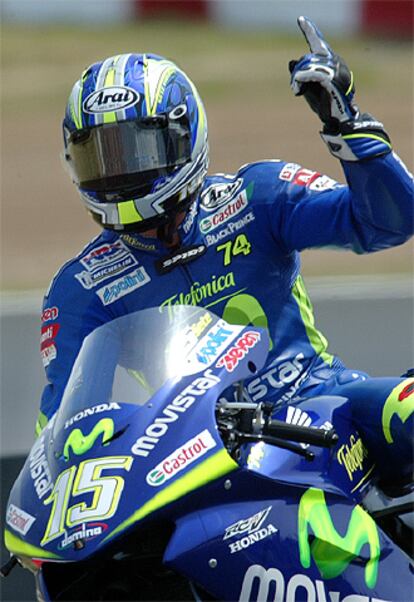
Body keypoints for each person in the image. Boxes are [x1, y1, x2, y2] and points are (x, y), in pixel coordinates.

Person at [37, 17, 413, 486]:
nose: (117, 173)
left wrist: (347, 125)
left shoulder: (256, 196)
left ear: (182, 136)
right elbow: (62, 436)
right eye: (100, 156)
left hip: (322, 402)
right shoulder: (82, 288)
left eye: (134, 150)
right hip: (199, 462)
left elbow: (389, 223)